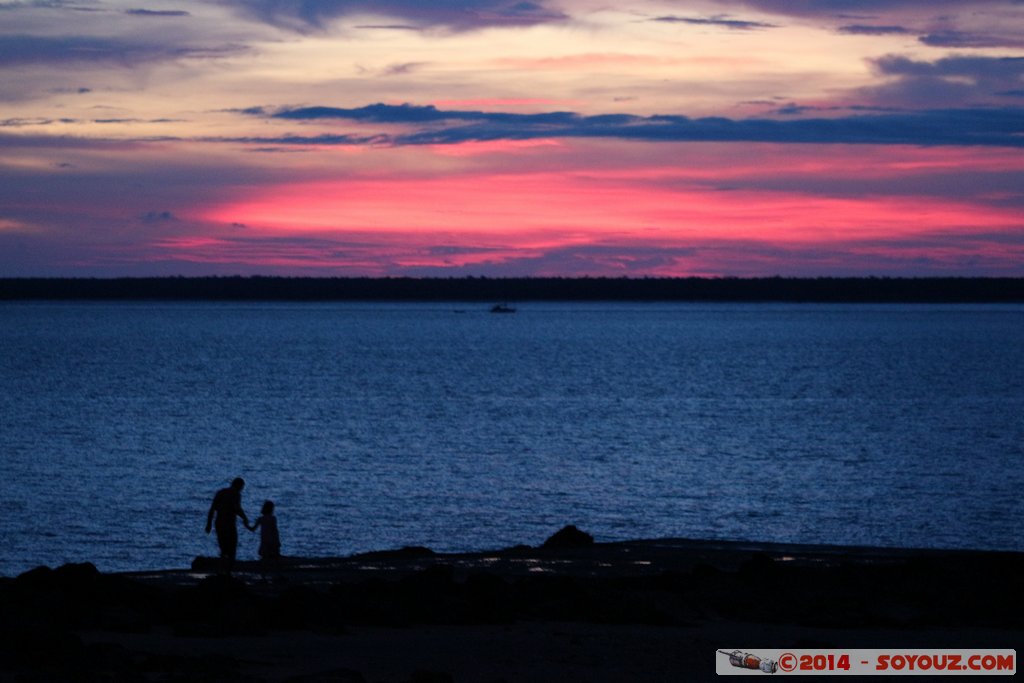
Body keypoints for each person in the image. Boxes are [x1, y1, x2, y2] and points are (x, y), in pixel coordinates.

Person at [205, 477, 249, 574]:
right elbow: (237, 509)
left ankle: (222, 571)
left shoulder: (221, 492)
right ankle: (228, 572)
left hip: (219, 523)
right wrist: (245, 518)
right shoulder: (236, 495)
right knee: (232, 549)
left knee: (223, 548)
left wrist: (209, 524)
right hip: (229, 524)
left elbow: (212, 509)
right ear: (239, 486)